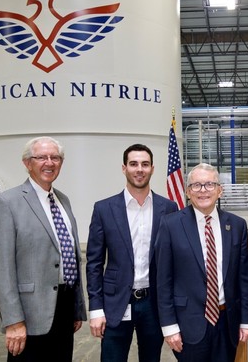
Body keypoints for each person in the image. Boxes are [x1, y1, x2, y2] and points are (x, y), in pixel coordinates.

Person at [0, 136, 86, 361]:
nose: (49, 163)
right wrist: (13, 321)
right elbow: (1, 268)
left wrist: (76, 307)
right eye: (41, 157)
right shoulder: (8, 202)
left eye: (55, 157)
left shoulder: (63, 200)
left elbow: (69, 254)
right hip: (29, 314)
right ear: (27, 163)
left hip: (64, 307)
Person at [86, 144, 179, 362]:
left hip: (153, 304)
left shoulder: (169, 208)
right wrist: (96, 309)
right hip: (116, 303)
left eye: (145, 164)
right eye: (134, 164)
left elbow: (174, 262)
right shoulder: (104, 209)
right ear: (124, 168)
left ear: (152, 169)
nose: (139, 169)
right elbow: (94, 264)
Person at [155, 162, 248, 362]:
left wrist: (246, 321)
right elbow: (163, 281)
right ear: (188, 192)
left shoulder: (236, 225)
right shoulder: (170, 224)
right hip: (187, 325)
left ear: (220, 190)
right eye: (196, 185)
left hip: (227, 322)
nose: (203, 191)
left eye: (209, 184)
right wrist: (169, 326)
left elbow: (243, 279)